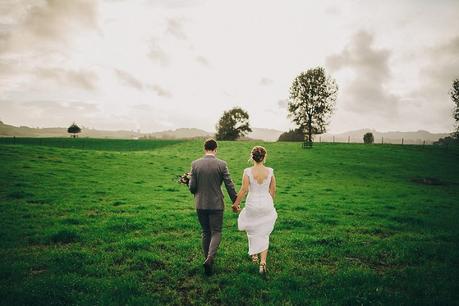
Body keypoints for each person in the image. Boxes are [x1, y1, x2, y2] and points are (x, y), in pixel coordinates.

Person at [188, 139, 237, 275]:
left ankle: (206, 260)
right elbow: (229, 185)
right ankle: (210, 258)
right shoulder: (222, 164)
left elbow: (192, 188)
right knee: (216, 231)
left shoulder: (195, 164)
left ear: (205, 148)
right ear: (216, 149)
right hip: (216, 204)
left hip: (200, 204)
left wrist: (189, 183)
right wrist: (235, 201)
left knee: (205, 232)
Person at [232, 146, 277, 275]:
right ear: (264, 157)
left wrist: (236, 204)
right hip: (266, 203)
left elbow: (244, 190)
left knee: (252, 229)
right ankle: (263, 262)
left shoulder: (248, 171)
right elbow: (273, 189)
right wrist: (270, 202)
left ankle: (254, 255)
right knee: (264, 232)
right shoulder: (270, 171)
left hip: (252, 203)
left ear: (252, 157)